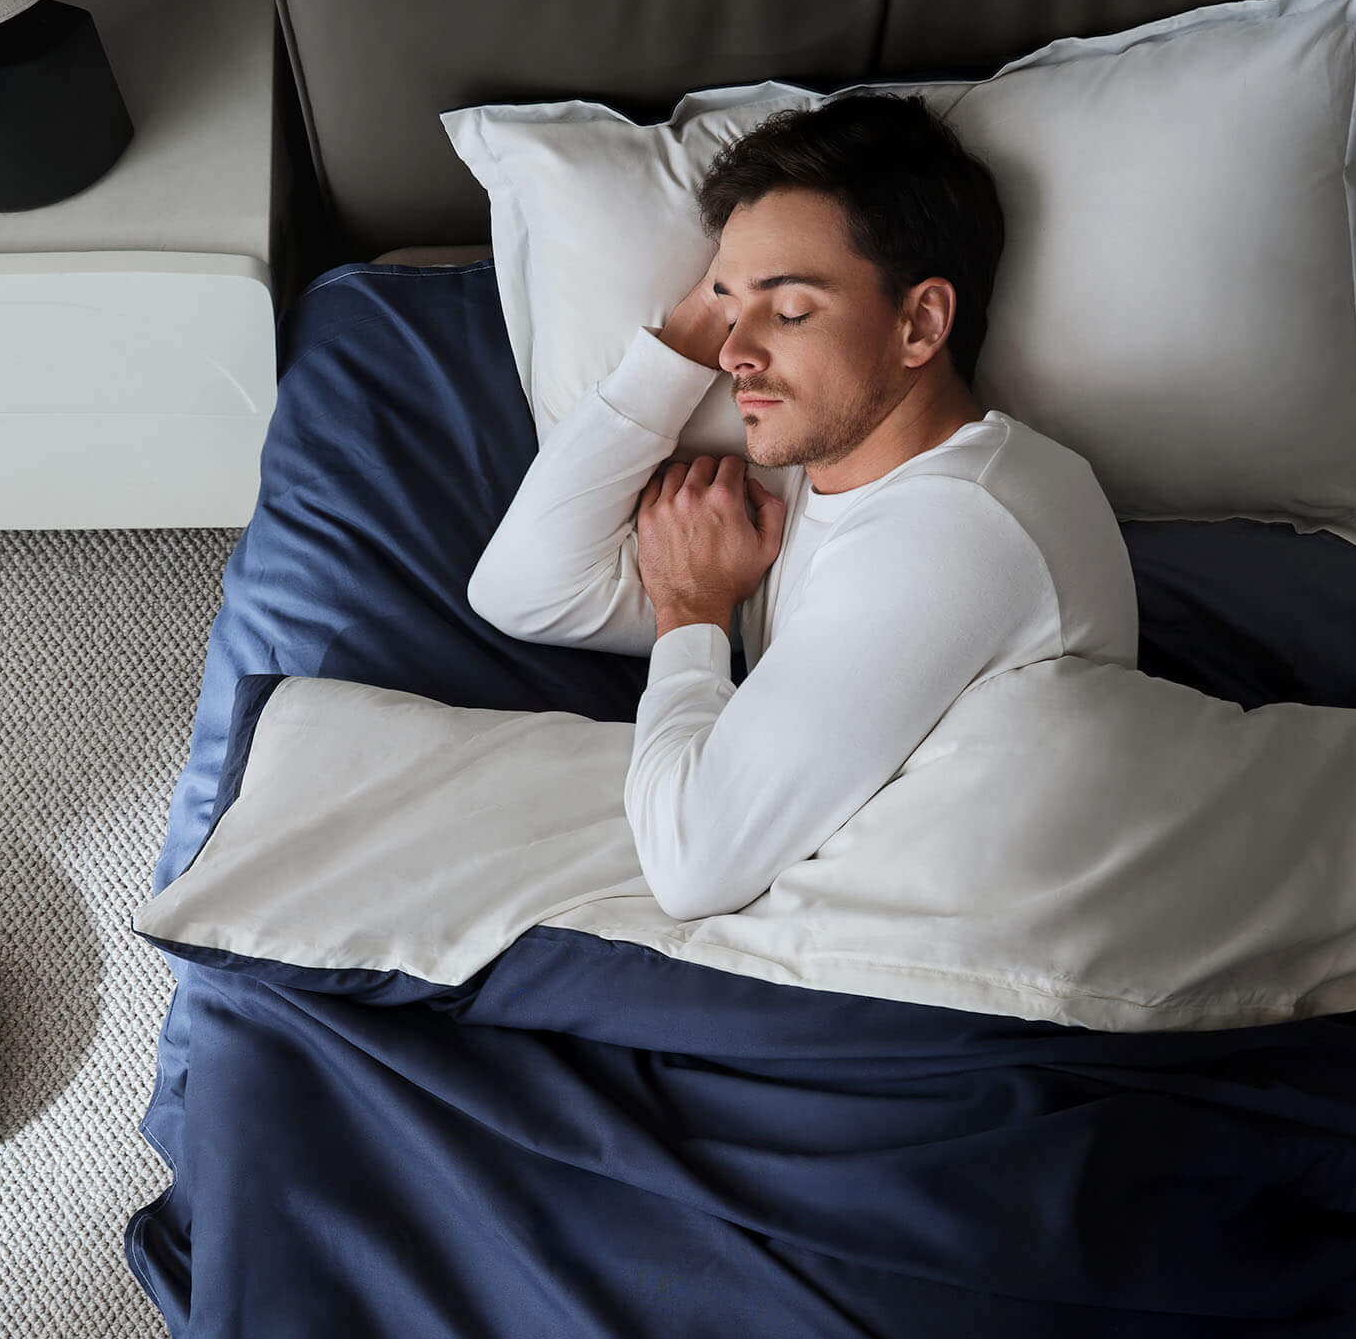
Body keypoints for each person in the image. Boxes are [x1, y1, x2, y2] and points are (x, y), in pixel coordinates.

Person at [467, 94, 1138, 920]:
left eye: (789, 311)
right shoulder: (799, 490)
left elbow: (692, 866)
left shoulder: (965, 522)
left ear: (921, 322)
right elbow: (522, 590)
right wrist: (686, 341)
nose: (734, 353)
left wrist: (692, 612)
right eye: (728, 307)